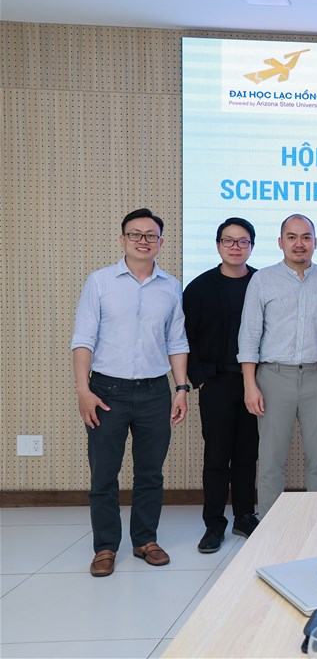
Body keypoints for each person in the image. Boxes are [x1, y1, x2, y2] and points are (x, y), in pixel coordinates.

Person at [71, 208, 189, 577]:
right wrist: (83, 389)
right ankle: (105, 547)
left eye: (150, 235)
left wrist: (181, 388)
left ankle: (145, 540)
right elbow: (83, 338)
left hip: (155, 391)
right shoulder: (100, 282)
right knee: (104, 473)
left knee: (150, 472)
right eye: (135, 234)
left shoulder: (171, 287)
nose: (143, 240)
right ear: (122, 239)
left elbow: (176, 340)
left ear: (161, 242)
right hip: (106, 390)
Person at [238, 214, 317, 518]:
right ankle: (269, 526)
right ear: (280, 242)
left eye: (306, 237)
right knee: (271, 460)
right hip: (273, 378)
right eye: (292, 237)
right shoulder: (262, 280)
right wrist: (250, 385)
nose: (299, 243)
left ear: (315, 242)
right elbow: (249, 335)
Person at [183, 217, 260, 553]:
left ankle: (244, 516)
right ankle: (213, 525)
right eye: (228, 241)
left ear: (252, 246)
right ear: (217, 245)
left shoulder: (261, 283)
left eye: (243, 241)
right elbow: (185, 337)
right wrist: (199, 379)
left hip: (254, 382)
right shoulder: (199, 288)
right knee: (216, 455)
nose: (235, 247)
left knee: (247, 454)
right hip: (214, 382)